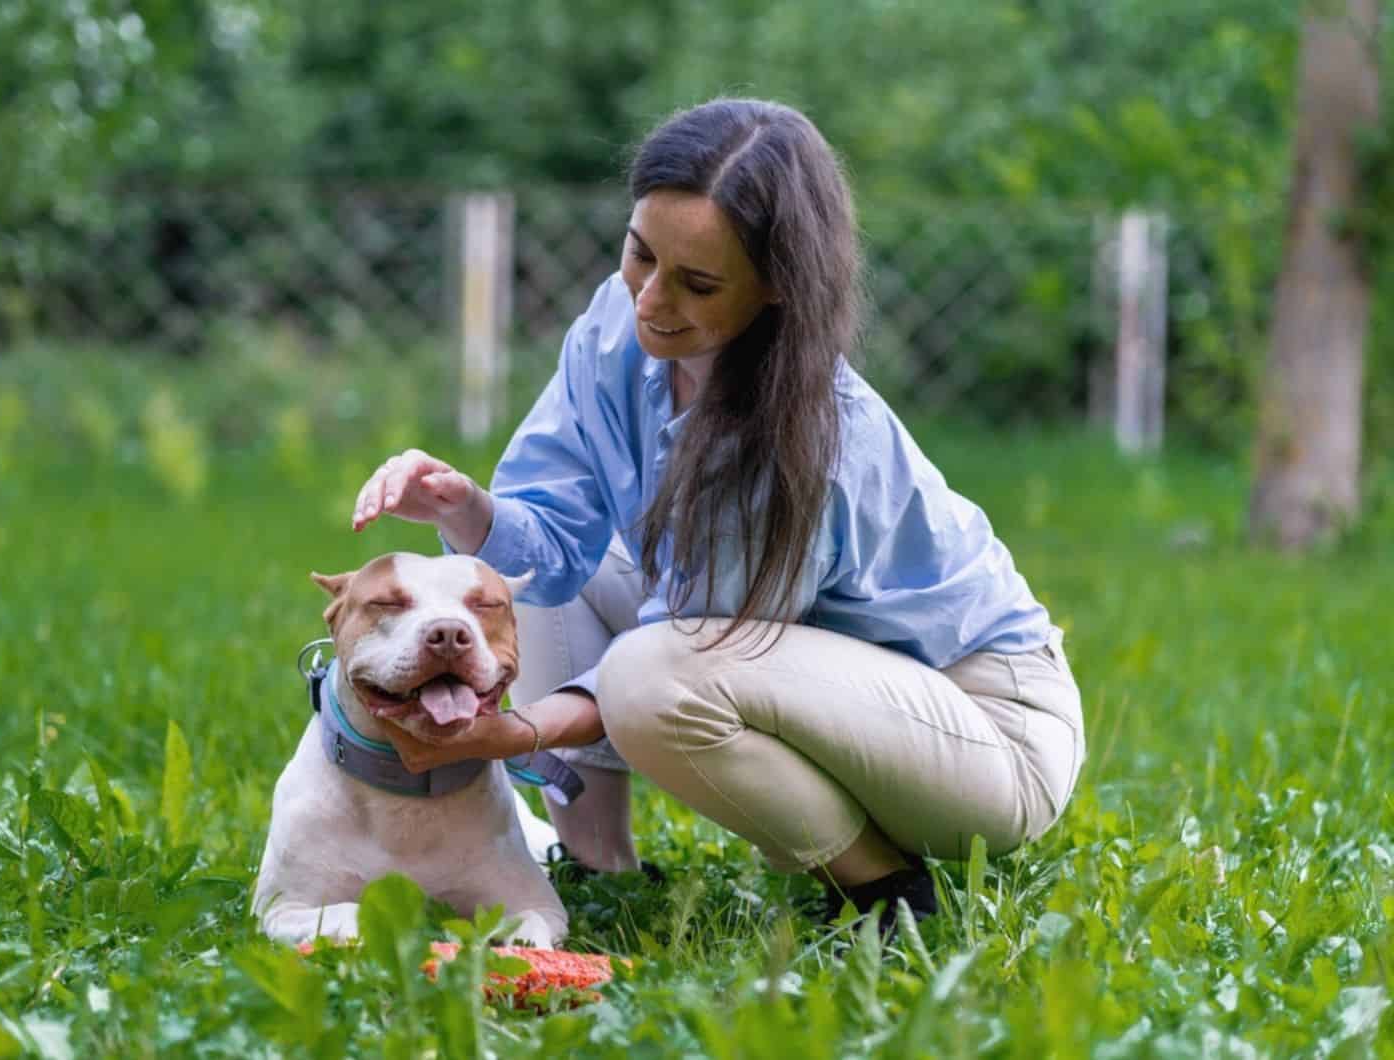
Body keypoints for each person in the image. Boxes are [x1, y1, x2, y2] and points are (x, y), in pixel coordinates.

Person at [351, 98, 1084, 933]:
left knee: (647, 677)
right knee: (521, 579)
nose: (651, 301)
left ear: (777, 289)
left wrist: (513, 734)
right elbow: (549, 549)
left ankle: (881, 890)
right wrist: (466, 507)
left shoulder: (804, 432)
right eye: (640, 255)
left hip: (982, 733)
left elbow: (686, 657)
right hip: (808, 674)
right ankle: (598, 868)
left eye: (697, 284)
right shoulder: (614, 330)